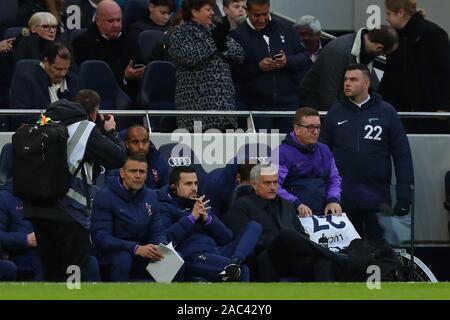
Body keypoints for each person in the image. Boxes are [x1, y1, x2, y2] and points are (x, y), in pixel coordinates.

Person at [24, 95, 126, 282]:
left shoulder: (41, 123)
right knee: (74, 275)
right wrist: (111, 132)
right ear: (94, 113)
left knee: (51, 275)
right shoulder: (85, 129)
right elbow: (118, 158)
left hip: (36, 208)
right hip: (69, 211)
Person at [319, 63, 414, 242]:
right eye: (345, 79)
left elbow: (402, 156)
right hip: (342, 197)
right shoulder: (335, 112)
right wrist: (323, 192)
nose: (347, 83)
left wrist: (404, 195)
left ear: (366, 83)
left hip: (377, 197)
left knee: (378, 254)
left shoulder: (387, 112)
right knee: (346, 252)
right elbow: (321, 156)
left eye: (353, 79)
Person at [225, 163, 343, 282]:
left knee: (322, 261)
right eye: (267, 183)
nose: (273, 187)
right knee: (285, 234)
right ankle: (338, 258)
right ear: (254, 185)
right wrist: (280, 241)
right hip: (265, 258)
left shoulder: (287, 205)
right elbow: (242, 240)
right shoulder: (242, 206)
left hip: (292, 258)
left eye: (275, 183)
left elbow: (302, 235)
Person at [157, 166, 262, 282]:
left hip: (217, 251)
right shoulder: (164, 207)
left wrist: (208, 219)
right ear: (174, 188)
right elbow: (165, 241)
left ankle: (236, 261)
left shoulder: (201, 204)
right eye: (188, 184)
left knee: (254, 226)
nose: (194, 188)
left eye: (196, 183)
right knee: (243, 271)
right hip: (193, 257)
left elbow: (227, 238)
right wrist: (192, 217)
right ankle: (235, 267)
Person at [230, 0, 311, 132]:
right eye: (257, 15)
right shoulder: (238, 35)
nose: (262, 19)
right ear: (247, 11)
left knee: (289, 147)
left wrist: (287, 62)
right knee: (263, 149)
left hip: (288, 102)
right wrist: (258, 67)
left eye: (265, 14)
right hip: (257, 105)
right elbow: (234, 71)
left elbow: (305, 58)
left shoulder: (286, 28)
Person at [168, 0, 245, 132]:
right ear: (194, 12)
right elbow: (190, 57)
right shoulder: (180, 34)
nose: (212, 13)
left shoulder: (215, 31)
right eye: (208, 9)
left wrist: (224, 47)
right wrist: (214, 42)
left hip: (225, 110)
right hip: (197, 114)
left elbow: (240, 55)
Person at [92, 155, 167, 281]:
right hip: (112, 254)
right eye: (133, 171)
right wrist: (134, 248)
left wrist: (160, 246)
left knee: (170, 258)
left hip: (141, 252)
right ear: (122, 173)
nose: (138, 176)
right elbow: (101, 238)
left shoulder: (151, 196)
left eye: (142, 171)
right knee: (123, 259)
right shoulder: (104, 196)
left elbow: (157, 230)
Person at [379, 0, 450, 133]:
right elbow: (390, 74)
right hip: (400, 112)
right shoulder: (396, 38)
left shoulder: (433, 34)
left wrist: (444, 107)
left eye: (388, 14)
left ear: (400, 13)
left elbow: (446, 72)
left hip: (430, 113)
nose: (387, 18)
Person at [299, 25, 398, 111]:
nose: (381, 55)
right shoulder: (338, 51)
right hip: (316, 110)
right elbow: (328, 93)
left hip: (339, 105)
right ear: (379, 48)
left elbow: (371, 88)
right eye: (383, 53)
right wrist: (342, 123)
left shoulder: (366, 51)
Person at [272, 107, 342, 217]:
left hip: (324, 214)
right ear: (297, 129)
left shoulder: (325, 150)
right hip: (293, 215)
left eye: (318, 127)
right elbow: (273, 186)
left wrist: (333, 199)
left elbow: (334, 179)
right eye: (310, 127)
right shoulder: (281, 154)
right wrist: (296, 204)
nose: (315, 132)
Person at [72, 0, 145, 102]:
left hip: (130, 95)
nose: (116, 25)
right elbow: (93, 78)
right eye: (110, 21)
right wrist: (124, 76)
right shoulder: (83, 42)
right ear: (98, 21)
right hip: (97, 98)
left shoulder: (130, 39)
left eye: (118, 20)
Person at [9, 41, 80, 130]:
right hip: (38, 135)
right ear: (46, 62)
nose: (62, 73)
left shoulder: (73, 80)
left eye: (66, 69)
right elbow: (20, 119)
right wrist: (48, 121)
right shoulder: (27, 80)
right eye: (58, 69)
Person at [0, 178, 43, 280]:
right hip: (20, 255)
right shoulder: (5, 197)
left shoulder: (46, 196)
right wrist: (26, 239)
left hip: (46, 252)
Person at [107, 124, 169, 190]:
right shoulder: (116, 161)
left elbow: (166, 192)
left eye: (145, 141)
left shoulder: (157, 160)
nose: (141, 147)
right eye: (135, 142)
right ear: (127, 144)